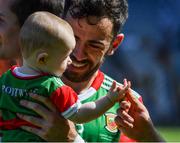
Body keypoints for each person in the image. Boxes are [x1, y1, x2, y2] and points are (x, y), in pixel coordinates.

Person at [0, 0, 165, 142]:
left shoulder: (125, 106)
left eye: (94, 45)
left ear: (114, 45)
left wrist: (150, 137)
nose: (78, 54)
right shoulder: (10, 81)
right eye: (72, 38)